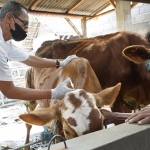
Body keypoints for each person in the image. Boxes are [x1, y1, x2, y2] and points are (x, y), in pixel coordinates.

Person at [0, 1, 77, 102]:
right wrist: (53, 93)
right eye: (24, 24)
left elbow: (30, 59)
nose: (26, 31)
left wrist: (60, 63)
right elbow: (9, 91)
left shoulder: (6, 44)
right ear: (9, 17)